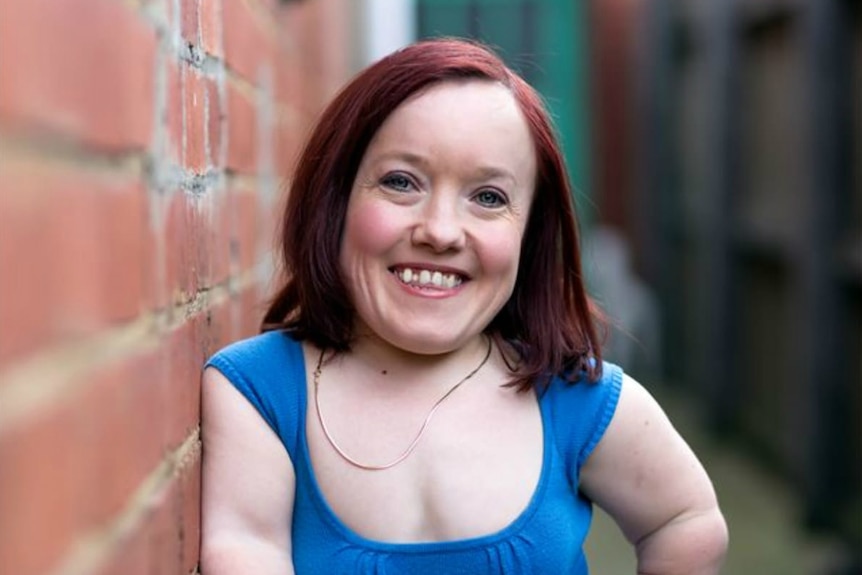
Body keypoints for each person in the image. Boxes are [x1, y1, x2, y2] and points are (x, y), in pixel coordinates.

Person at [200, 38, 728, 574]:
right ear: (334, 200)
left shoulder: (575, 398)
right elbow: (246, 547)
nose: (441, 231)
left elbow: (685, 520)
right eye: (401, 183)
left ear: (531, 234)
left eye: (489, 197)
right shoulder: (259, 392)